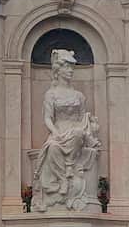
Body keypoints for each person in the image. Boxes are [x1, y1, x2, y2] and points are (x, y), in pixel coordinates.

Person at [32, 48, 101, 211]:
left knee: (78, 134)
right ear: (58, 70)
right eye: (67, 67)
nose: (71, 71)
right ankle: (62, 179)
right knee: (53, 147)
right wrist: (55, 132)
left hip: (76, 129)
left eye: (72, 67)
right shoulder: (51, 94)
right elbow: (48, 118)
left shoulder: (78, 95)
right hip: (58, 130)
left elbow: (82, 117)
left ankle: (70, 166)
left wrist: (89, 127)